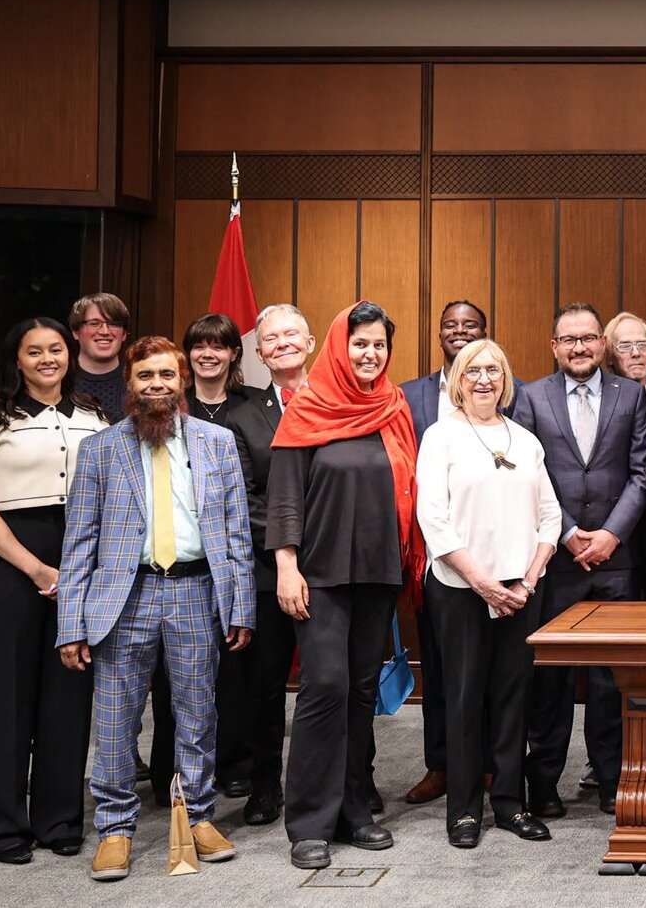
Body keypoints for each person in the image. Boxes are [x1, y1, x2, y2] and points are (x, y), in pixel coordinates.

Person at [56, 336, 255, 880]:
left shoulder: (217, 443)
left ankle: (197, 817)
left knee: (197, 714)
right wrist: (71, 622)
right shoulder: (100, 450)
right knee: (117, 720)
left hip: (196, 592)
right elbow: (78, 544)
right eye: (146, 376)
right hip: (124, 599)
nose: (157, 385)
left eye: (167, 375)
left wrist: (240, 608)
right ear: (130, 384)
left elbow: (237, 534)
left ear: (183, 380)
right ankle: (115, 829)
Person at [268, 302, 425, 870]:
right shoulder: (309, 407)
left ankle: (356, 809)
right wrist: (287, 566)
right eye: (360, 342)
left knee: (361, 691)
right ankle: (309, 820)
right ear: (339, 344)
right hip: (320, 574)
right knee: (324, 687)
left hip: (378, 571)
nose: (370, 353)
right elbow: (285, 496)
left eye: (379, 344)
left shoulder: (394, 406)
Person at [0, 318, 108, 864]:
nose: (47, 358)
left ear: (70, 355)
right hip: (9, 562)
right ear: (16, 360)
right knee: (7, 700)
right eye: (34, 351)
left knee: (69, 694)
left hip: (82, 556)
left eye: (56, 349)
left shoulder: (95, 415)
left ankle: (60, 819)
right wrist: (38, 570)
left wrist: (83, 570)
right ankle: (1, 829)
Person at [415, 338, 560, 849]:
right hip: (461, 589)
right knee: (462, 700)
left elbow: (550, 516)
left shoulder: (523, 439)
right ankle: (464, 811)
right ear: (458, 379)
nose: (483, 379)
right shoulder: (440, 437)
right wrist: (484, 584)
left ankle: (510, 806)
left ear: (505, 379)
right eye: (473, 370)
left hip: (521, 591)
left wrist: (527, 580)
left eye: (493, 371)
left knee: (512, 698)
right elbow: (432, 518)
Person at [512, 303, 646, 819]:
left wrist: (611, 535)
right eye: (568, 339)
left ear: (602, 345)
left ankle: (613, 779)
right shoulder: (530, 397)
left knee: (610, 680)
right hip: (555, 558)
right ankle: (545, 782)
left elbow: (642, 473)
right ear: (554, 347)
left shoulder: (631, 394)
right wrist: (569, 534)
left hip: (616, 560)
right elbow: (529, 475)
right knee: (548, 681)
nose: (579, 347)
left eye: (589, 338)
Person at [222, 303, 315, 827]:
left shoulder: (334, 403)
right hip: (264, 570)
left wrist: (313, 550)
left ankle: (350, 779)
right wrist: (288, 554)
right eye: (271, 338)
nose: (281, 343)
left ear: (310, 342)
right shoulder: (242, 415)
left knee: (333, 681)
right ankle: (263, 784)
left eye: (291, 335)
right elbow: (247, 499)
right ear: (258, 353)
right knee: (264, 684)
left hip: (329, 567)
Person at [396, 299, 488, 807]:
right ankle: (442, 765)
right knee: (436, 660)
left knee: (487, 666)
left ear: (483, 333)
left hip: (492, 551)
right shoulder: (408, 395)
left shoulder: (501, 391)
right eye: (450, 325)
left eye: (469, 325)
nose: (458, 331)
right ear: (439, 335)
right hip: (429, 552)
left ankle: (488, 764)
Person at [180, 312, 265, 801]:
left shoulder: (251, 406)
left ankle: (236, 760)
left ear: (235, 353)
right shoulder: (173, 407)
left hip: (242, 554)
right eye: (199, 345)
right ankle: (179, 766)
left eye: (219, 346)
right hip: (186, 558)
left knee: (237, 667)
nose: (208, 353)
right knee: (182, 669)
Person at [69, 292, 130, 422]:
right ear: (75, 331)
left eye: (113, 323)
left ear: (124, 334)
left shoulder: (137, 381)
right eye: (94, 323)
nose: (104, 331)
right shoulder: (60, 380)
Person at [604, 311, 646, 431]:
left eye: (642, 345)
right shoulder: (601, 398)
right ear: (611, 356)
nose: (636, 353)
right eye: (625, 346)